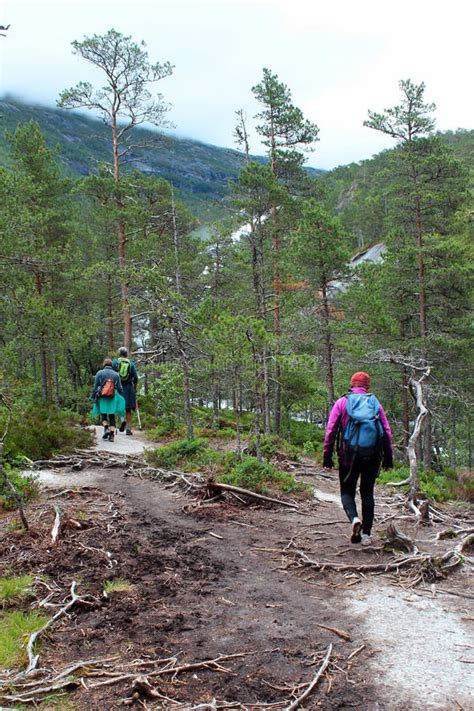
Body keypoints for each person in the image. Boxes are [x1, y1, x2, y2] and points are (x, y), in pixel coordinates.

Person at [323, 371, 393, 545]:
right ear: (367, 385)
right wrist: (388, 458)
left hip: (348, 456)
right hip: (372, 456)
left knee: (347, 492)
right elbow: (386, 432)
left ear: (352, 384)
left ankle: (354, 519)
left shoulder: (342, 402)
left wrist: (327, 456)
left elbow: (331, 431)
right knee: (367, 493)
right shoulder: (374, 402)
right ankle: (367, 535)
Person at [91, 358, 125, 442]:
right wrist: (120, 394)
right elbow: (120, 388)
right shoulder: (116, 374)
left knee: (103, 414)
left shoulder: (99, 373)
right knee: (111, 415)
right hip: (112, 397)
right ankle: (112, 435)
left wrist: (93, 395)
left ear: (104, 364)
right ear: (111, 365)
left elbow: (95, 386)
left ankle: (106, 429)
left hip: (102, 396)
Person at [113, 347, 138, 435]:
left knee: (119, 407)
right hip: (129, 388)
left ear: (119, 354)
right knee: (128, 409)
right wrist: (135, 387)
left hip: (118, 388)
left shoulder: (115, 362)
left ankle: (122, 420)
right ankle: (128, 429)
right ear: (126, 354)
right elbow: (135, 377)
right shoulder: (130, 363)